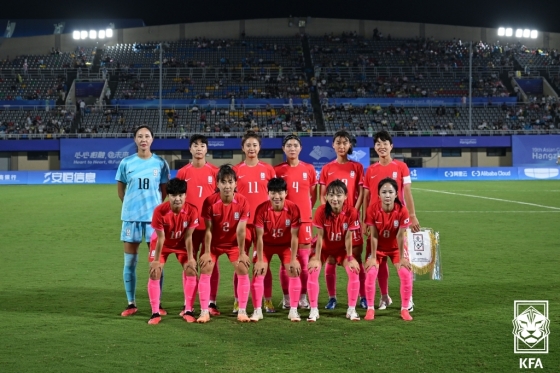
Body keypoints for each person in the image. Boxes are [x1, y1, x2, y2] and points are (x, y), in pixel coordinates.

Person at [116, 125, 170, 316]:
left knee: (156, 262)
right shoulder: (126, 163)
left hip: (153, 222)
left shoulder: (160, 163)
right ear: (135, 139)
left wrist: (155, 208)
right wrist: (130, 205)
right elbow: (120, 187)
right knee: (130, 262)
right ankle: (131, 303)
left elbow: (164, 190)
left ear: (152, 139)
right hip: (131, 219)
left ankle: (158, 303)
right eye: (140, 136)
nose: (143, 139)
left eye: (147, 136)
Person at [363, 130, 420, 311]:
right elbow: (366, 197)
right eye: (378, 143)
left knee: (403, 260)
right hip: (375, 221)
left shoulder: (401, 167)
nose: (381, 146)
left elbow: (408, 192)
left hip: (397, 221)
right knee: (379, 263)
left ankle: (408, 299)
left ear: (391, 146)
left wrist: (412, 216)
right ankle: (384, 297)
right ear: (375, 147)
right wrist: (365, 220)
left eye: (385, 143)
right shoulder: (370, 170)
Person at [197, 165, 251, 322]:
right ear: (217, 184)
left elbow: (241, 231)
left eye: (230, 181)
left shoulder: (242, 202)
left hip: (233, 244)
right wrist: (206, 252)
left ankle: (242, 311)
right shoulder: (209, 202)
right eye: (223, 182)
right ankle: (204, 311)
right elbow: (208, 230)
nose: (227, 185)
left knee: (242, 268)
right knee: (206, 267)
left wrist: (242, 253)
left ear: (236, 183)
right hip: (213, 244)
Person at [318, 130, 365, 310]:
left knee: (356, 259)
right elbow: (323, 195)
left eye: (345, 142)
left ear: (350, 145)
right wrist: (326, 212)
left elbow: (361, 193)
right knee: (330, 259)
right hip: (331, 221)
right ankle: (332, 297)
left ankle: (362, 296)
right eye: (338, 142)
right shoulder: (327, 168)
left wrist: (354, 212)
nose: (341, 145)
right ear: (333, 145)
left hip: (351, 220)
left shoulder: (357, 167)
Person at [176, 134, 221, 317]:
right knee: (189, 262)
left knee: (211, 262)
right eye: (195, 145)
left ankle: (211, 301)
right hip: (189, 227)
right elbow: (177, 200)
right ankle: (188, 304)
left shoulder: (215, 172)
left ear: (206, 149)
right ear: (190, 149)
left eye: (202, 145)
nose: (199, 148)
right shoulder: (183, 173)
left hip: (210, 226)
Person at [232, 131, 276, 313]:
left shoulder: (268, 169)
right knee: (240, 263)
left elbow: (275, 196)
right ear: (243, 148)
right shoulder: (236, 170)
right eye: (248, 145)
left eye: (254, 145)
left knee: (262, 262)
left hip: (263, 224)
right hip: (242, 224)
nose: (251, 148)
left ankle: (267, 299)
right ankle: (238, 299)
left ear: (259, 147)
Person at [307, 180, 362, 322]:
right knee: (313, 270)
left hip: (341, 250)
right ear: (325, 197)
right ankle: (314, 310)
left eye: (339, 195)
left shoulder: (352, 212)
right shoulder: (321, 211)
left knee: (354, 270)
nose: (335, 198)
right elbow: (319, 237)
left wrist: (350, 258)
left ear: (345, 197)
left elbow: (349, 238)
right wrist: (316, 258)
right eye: (331, 195)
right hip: (324, 249)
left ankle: (351, 309)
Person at [146, 178, 199, 324]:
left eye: (181, 195)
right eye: (174, 195)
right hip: (161, 244)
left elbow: (189, 237)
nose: (177, 198)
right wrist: (156, 261)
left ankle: (188, 309)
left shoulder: (192, 210)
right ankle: (155, 312)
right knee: (155, 272)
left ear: (185, 195)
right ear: (168, 195)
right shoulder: (160, 211)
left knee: (190, 269)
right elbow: (160, 238)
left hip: (182, 243)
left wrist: (190, 258)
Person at [274, 134, 317, 310]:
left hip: (304, 222)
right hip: (283, 223)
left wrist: (305, 212)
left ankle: (303, 298)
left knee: (305, 263)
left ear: (301, 148)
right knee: (286, 262)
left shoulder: (309, 168)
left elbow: (313, 194)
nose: (292, 148)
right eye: (289, 145)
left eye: (295, 145)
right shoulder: (277, 171)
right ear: (283, 149)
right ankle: (286, 298)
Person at [251, 178, 303, 322]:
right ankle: (257, 311)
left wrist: (293, 259)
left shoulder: (293, 208)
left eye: (280, 192)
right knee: (258, 271)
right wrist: (260, 260)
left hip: (285, 245)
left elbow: (294, 236)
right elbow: (259, 237)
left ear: (286, 193)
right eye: (273, 192)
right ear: (268, 193)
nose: (276, 196)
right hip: (265, 245)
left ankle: (293, 310)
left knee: (293, 270)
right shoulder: (261, 209)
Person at [364, 177, 413, 321]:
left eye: (390, 192)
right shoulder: (372, 209)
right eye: (384, 192)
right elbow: (373, 235)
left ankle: (404, 309)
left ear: (396, 194)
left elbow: (400, 235)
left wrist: (403, 258)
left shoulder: (402, 211)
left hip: (396, 248)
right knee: (371, 274)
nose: (387, 195)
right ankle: (370, 309)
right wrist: (373, 257)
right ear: (378, 194)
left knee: (405, 274)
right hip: (376, 248)